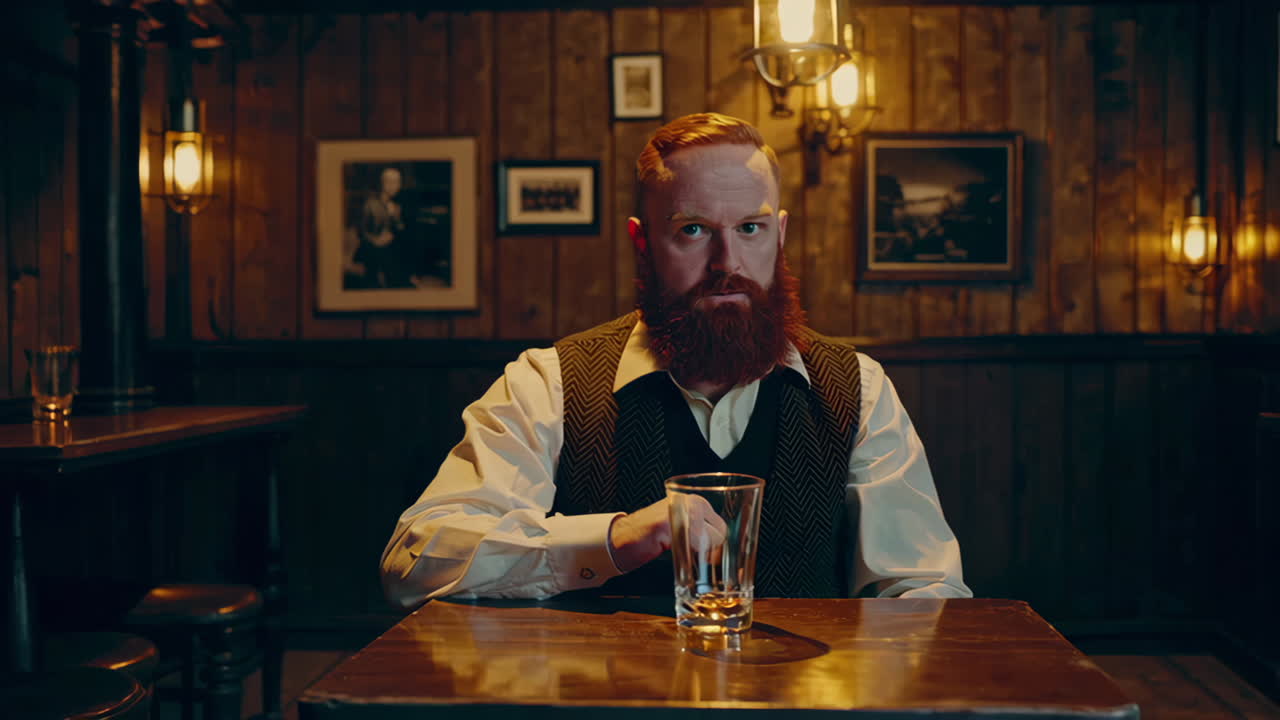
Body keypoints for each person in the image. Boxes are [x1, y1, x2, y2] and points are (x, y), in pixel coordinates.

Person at [380, 113, 971, 606]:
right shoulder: (548, 383)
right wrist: (613, 539)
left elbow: (923, 588)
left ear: (780, 235)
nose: (726, 261)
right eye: (693, 230)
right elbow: (418, 559)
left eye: (750, 228)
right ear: (643, 242)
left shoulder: (857, 390)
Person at [352, 166, 408, 289]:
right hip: (371, 249)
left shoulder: (396, 205)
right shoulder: (370, 204)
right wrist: (375, 241)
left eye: (398, 182)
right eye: (393, 182)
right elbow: (361, 231)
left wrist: (394, 217)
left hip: (390, 249)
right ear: (384, 184)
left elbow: (400, 229)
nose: (397, 186)